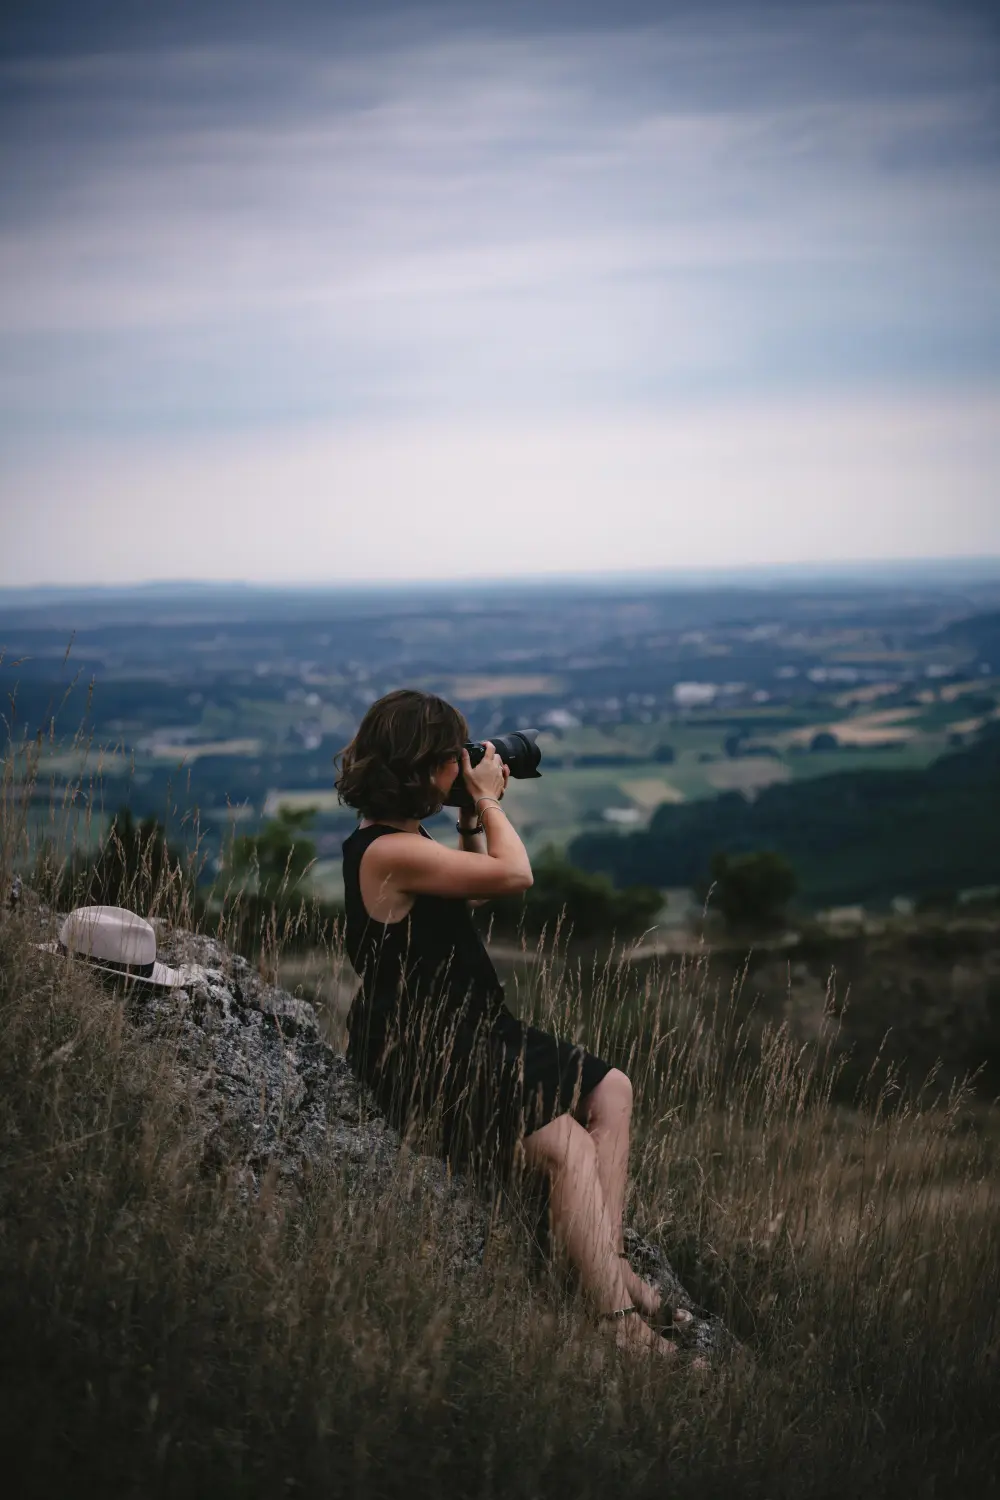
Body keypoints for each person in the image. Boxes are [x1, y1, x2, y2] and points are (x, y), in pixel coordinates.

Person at [335, 688, 688, 1360]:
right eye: (452, 759)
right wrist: (491, 800)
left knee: (612, 1089)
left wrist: (468, 814)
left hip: (474, 1029)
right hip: (422, 1049)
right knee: (569, 1148)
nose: (464, 766)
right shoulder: (383, 851)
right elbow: (514, 874)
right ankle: (617, 1326)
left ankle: (602, 1265)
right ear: (424, 766)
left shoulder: (406, 837)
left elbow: (470, 883)